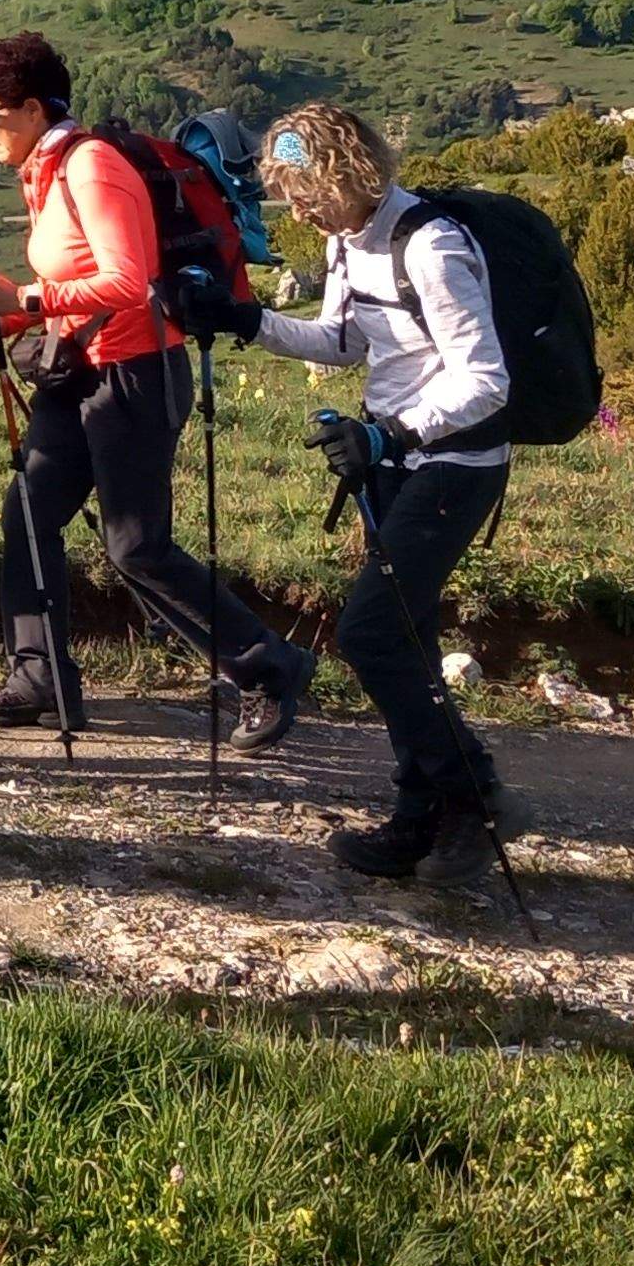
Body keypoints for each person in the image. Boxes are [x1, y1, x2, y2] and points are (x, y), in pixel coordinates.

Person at [182, 102, 518, 891]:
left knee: (370, 635)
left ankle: (470, 795)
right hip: (398, 461)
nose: (296, 209)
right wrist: (245, 319)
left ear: (347, 172)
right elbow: (342, 344)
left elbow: (486, 380)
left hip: (456, 465)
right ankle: (417, 818)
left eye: (305, 189)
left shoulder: (430, 245)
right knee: (405, 637)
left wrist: (390, 434)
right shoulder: (346, 243)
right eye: (286, 192)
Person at [0, 30, 312, 744]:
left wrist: (21, 298)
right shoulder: (46, 171)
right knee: (28, 511)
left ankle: (270, 667)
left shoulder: (90, 167)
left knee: (136, 547)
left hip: (134, 376)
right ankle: (37, 675)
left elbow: (127, 279)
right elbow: (78, 282)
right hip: (79, 369)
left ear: (30, 109)